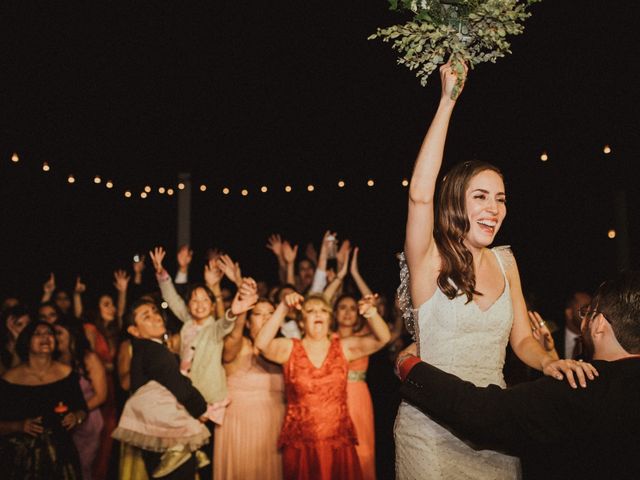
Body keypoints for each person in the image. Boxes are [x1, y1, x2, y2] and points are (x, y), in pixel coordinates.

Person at [393, 61, 595, 479]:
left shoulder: (506, 261)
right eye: (481, 196)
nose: (494, 209)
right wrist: (447, 101)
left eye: (500, 199)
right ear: (455, 203)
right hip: (428, 430)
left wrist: (547, 363)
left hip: (496, 427)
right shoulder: (429, 259)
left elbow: (521, 338)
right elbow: (418, 196)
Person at [396, 271, 639, 479]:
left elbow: (482, 414)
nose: (584, 320)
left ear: (599, 326)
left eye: (588, 312)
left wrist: (410, 367)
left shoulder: (582, 385)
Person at [255, 292, 391, 480]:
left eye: (323, 311)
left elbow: (383, 338)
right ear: (302, 322)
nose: (318, 314)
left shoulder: (343, 347)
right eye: (311, 311)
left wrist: (371, 312)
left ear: (329, 318)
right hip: (301, 446)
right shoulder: (290, 348)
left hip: (338, 443)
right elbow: (261, 344)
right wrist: (283, 307)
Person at [118, 298, 209, 479]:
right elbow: (179, 386)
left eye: (155, 311)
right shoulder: (154, 351)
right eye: (146, 316)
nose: (157, 317)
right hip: (166, 436)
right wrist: (201, 408)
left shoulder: (142, 350)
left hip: (156, 433)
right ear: (134, 330)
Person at [0, 321, 88, 479]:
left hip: (60, 454)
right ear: (27, 341)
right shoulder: (10, 379)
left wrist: (76, 417)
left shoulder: (67, 374)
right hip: (21, 457)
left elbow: (82, 408)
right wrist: (19, 426)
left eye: (49, 333)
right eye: (38, 334)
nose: (45, 337)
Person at [213, 298, 286, 480]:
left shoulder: (285, 348)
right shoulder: (238, 345)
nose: (266, 318)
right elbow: (232, 337)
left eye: (271, 314)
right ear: (247, 321)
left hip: (276, 426)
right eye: (259, 314)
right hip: (240, 427)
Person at [55, 317, 108, 480]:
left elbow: (101, 395)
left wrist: (77, 411)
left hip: (88, 421)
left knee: (84, 468)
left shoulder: (88, 358)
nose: (54, 337)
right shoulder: (54, 360)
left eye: (58, 333)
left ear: (72, 334)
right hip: (63, 421)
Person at [0, 304, 31, 375]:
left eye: (28, 323)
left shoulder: (33, 345)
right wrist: (17, 341)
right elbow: (9, 377)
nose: (25, 328)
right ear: (8, 327)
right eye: (19, 324)